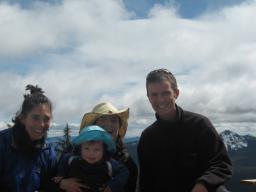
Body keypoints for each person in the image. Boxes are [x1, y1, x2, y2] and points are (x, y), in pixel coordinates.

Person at [137, 68, 233, 192]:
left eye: (165, 93)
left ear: (176, 93)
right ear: (149, 98)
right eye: (154, 95)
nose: (160, 100)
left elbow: (222, 164)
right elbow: (146, 180)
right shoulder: (147, 137)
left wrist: (203, 184)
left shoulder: (200, 125)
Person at [59, 102, 138, 192]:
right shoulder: (73, 150)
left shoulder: (126, 161)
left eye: (114, 120)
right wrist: (61, 183)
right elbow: (50, 180)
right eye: (103, 119)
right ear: (93, 125)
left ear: (119, 127)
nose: (108, 124)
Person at [0, 84, 58, 191]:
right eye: (35, 117)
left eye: (46, 119)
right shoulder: (3, 143)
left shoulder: (48, 152)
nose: (41, 124)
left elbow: (51, 185)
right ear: (23, 118)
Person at [53, 125, 129, 192]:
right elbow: (64, 160)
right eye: (86, 149)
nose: (91, 154)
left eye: (97, 149)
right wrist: (61, 174)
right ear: (80, 149)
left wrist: (112, 186)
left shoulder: (109, 164)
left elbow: (124, 171)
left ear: (104, 151)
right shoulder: (72, 158)